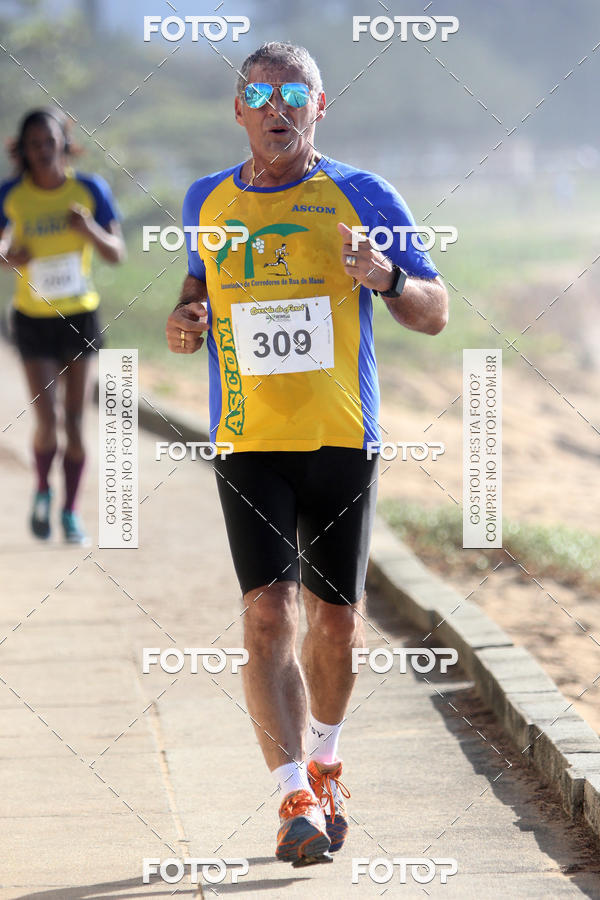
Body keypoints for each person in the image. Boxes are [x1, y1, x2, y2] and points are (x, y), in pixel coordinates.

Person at [166, 42, 448, 866]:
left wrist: (387, 277)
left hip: (339, 438)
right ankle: (293, 797)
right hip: (248, 440)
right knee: (266, 615)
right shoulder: (205, 199)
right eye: (261, 93)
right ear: (239, 109)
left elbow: (434, 313)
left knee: (334, 623)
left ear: (320, 107)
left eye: (295, 92)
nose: (277, 105)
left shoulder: (363, 195)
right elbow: (195, 292)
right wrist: (184, 322)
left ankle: (324, 758)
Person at [0, 108, 125, 543]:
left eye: (48, 142)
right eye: (33, 144)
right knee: (47, 420)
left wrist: (88, 228)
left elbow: (116, 253)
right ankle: (41, 489)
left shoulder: (89, 190)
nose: (42, 151)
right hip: (32, 318)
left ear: (62, 143)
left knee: (74, 421)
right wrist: (8, 258)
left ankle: (71, 512)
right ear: (25, 150)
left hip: (79, 317)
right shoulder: (11, 195)